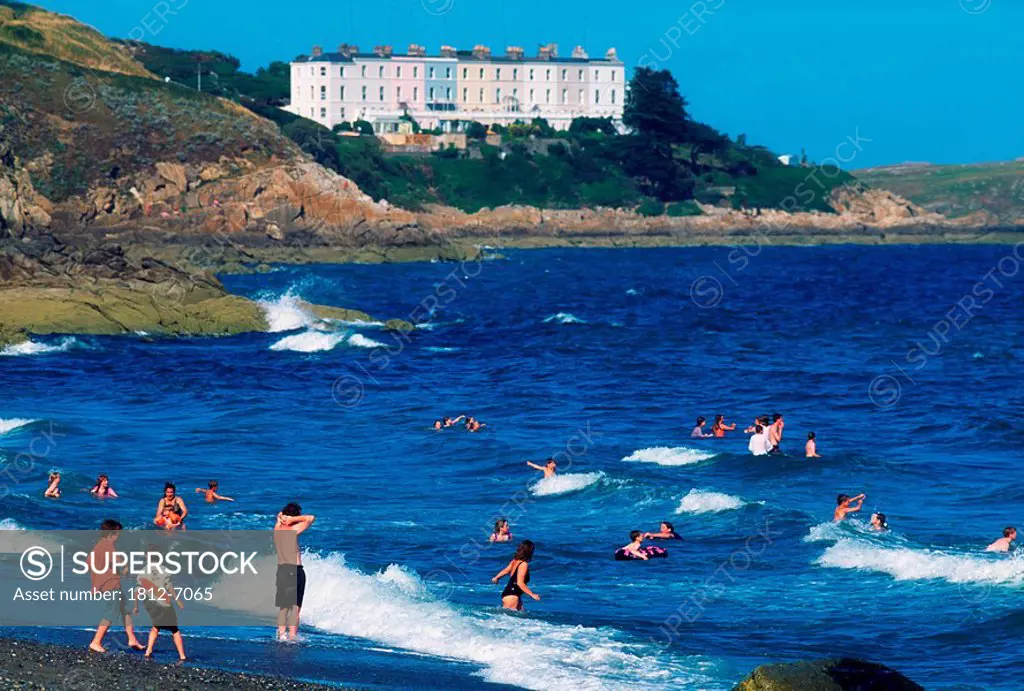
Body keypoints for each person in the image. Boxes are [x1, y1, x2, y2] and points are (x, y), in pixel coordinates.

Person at [88, 519, 144, 653]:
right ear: (111, 533)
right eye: (118, 533)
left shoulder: (99, 545)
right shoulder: (107, 544)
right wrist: (125, 566)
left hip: (110, 582)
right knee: (111, 613)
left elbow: (91, 562)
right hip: (110, 584)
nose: (119, 536)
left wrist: (96, 583)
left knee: (126, 609)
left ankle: (132, 638)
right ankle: (96, 642)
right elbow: (118, 561)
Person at [134, 547, 186, 660]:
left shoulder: (142, 572)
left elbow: (138, 590)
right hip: (164, 603)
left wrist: (136, 606)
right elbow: (169, 587)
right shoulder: (164, 570)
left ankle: (148, 651)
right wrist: (178, 601)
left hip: (151, 605)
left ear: (147, 557)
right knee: (174, 630)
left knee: (155, 627)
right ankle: (182, 655)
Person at [274, 503, 316, 641]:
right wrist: (292, 520)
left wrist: (281, 517)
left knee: (283, 607)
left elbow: (279, 514)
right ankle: (292, 636)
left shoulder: (277, 529)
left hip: (282, 570)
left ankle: (281, 635)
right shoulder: (292, 530)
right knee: (295, 608)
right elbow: (310, 518)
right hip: (295, 570)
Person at [491, 540, 540, 611]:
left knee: (522, 617)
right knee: (506, 621)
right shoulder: (524, 564)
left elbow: (506, 571)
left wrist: (496, 578)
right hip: (512, 595)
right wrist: (532, 594)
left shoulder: (514, 561)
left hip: (510, 594)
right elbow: (520, 583)